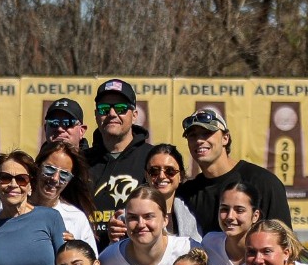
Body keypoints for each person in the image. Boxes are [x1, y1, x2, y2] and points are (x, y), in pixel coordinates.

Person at [176, 107, 290, 235]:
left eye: (207, 133)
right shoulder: (187, 193)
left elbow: (284, 242)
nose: (199, 140)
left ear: (225, 138)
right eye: (192, 135)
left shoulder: (263, 182)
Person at [83, 79, 153, 244]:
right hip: (91, 261)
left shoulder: (151, 158)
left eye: (121, 108)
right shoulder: (81, 161)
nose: (112, 114)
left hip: (138, 259)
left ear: (134, 115)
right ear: (96, 115)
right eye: (104, 109)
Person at [34, 140, 97, 249]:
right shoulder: (14, 208)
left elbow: (92, 264)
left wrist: (75, 250)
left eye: (64, 175)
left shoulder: (76, 218)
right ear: (37, 167)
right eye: (49, 169)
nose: (55, 178)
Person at [200, 181, 261, 265]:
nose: (230, 216)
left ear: (255, 216)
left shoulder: (263, 256)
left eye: (239, 210)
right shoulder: (209, 243)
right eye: (224, 209)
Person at [144, 144, 201, 239]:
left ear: (181, 176)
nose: (161, 176)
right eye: (154, 171)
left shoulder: (194, 214)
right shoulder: (130, 215)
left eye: (170, 171)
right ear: (146, 176)